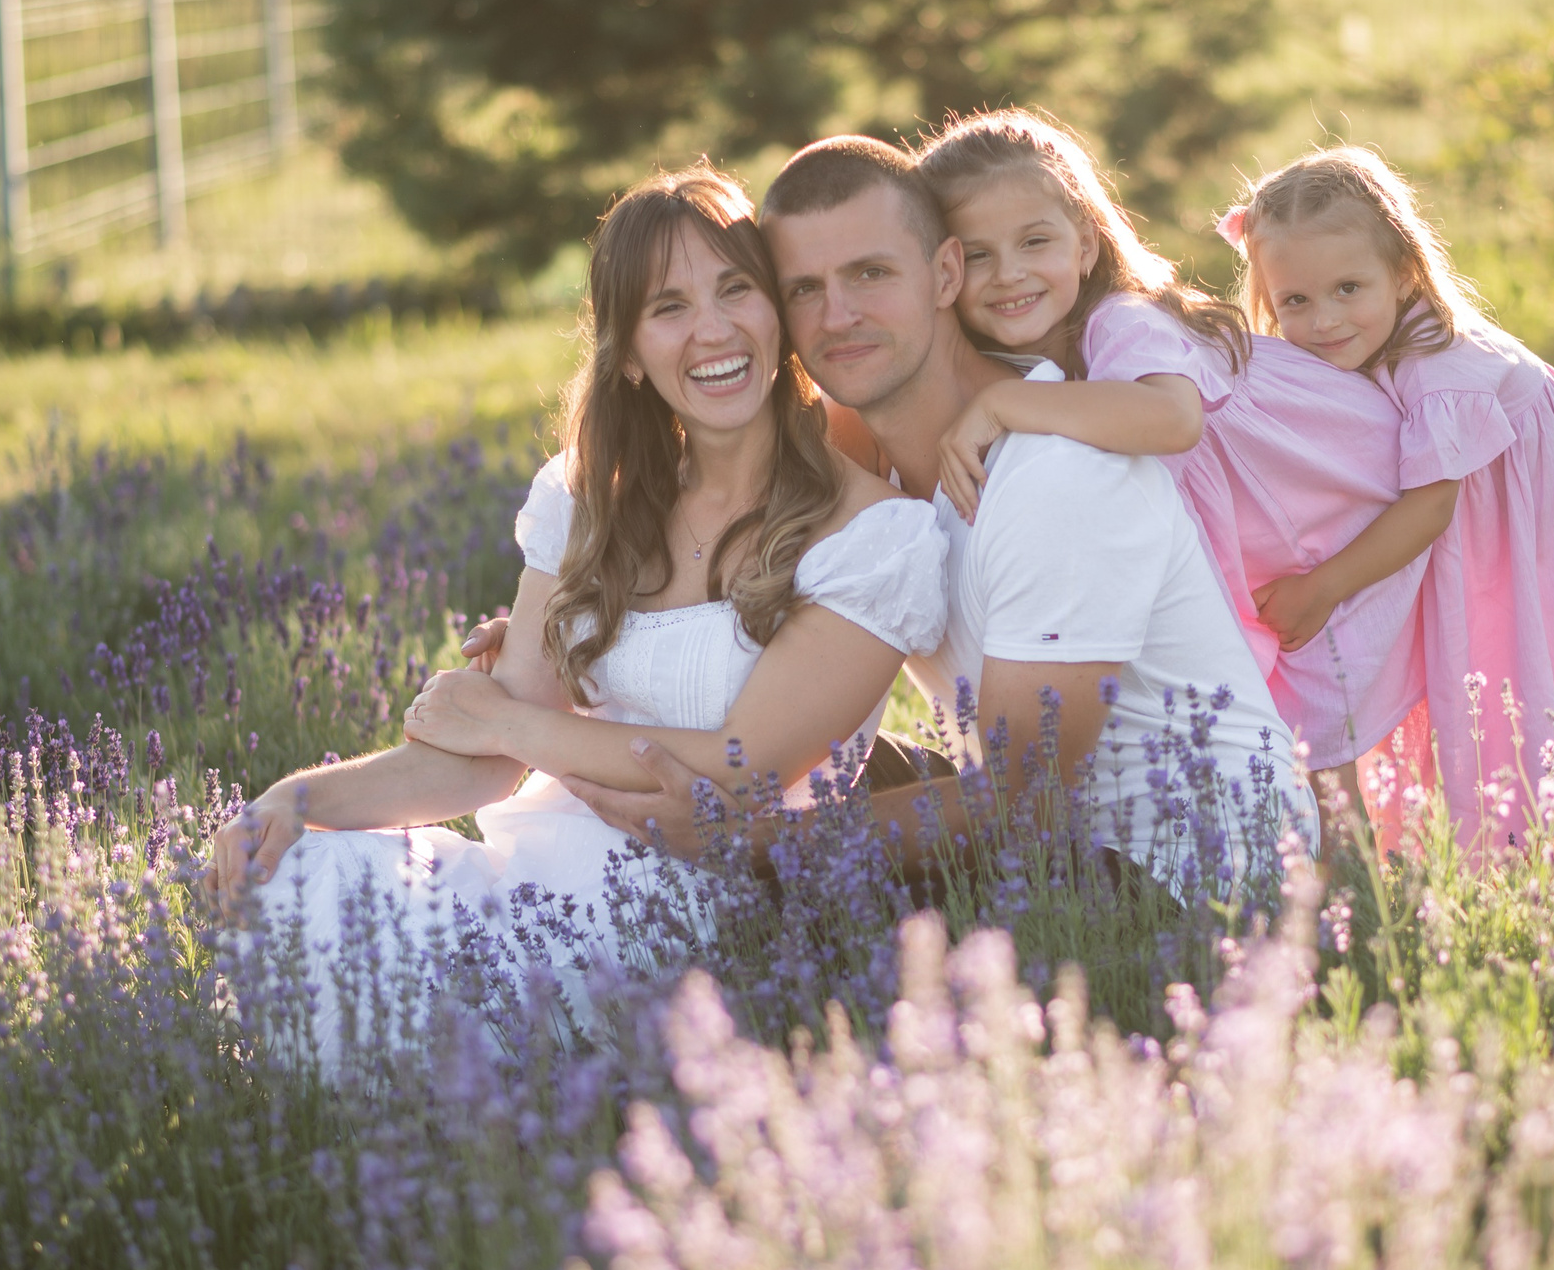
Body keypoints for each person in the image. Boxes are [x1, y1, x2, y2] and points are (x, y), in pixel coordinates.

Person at [207, 164, 947, 1063]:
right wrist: (300, 798)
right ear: (630, 351)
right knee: (294, 880)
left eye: (735, 289)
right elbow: (481, 770)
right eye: (669, 307)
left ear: (776, 315)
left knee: (459, 1020)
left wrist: (515, 723)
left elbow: (738, 772)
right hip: (532, 877)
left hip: (700, 919)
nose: (713, 330)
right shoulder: (589, 498)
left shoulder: (872, 537)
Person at [554, 136, 1311, 885]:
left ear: (945, 272)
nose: (839, 315)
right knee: (813, 779)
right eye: (803, 289)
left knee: (782, 857)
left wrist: (756, 839)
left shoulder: (1058, 470)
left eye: (870, 273)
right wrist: (582, 623)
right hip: (1048, 842)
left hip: (1190, 873)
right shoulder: (851, 468)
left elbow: (1028, 800)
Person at [904, 108, 1424, 831]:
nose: (1010, 274)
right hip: (1273, 537)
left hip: (1349, 509)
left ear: (1085, 243)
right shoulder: (1048, 350)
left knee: (1319, 734)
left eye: (1034, 241)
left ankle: (1353, 921)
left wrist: (1003, 404)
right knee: (1300, 726)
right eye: (980, 255)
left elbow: (1172, 421)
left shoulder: (1122, 321)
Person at [1219, 146, 1554, 849]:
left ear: (1403, 274)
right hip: (1479, 494)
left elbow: (1428, 509)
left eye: (1348, 288)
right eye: (1295, 302)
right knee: (1485, 654)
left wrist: (1322, 587)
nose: (1324, 320)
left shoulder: (1437, 366)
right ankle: (1513, 830)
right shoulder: (1369, 342)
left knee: (1538, 652)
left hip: (1529, 496)